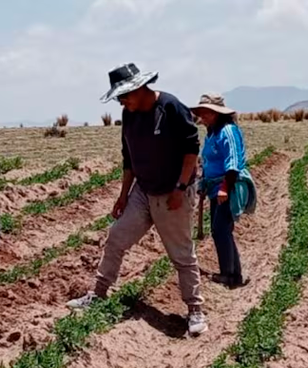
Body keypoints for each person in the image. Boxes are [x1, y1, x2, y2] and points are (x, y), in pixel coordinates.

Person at [68, 63, 207, 336]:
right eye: (119, 98)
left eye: (124, 96)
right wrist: (122, 196)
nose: (122, 101)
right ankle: (98, 293)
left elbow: (191, 150)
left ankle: (195, 309)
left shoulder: (170, 107)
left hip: (172, 194)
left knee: (181, 254)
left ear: (140, 89)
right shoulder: (129, 116)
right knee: (116, 238)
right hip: (143, 192)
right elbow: (128, 159)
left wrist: (180, 188)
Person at [191, 94, 257, 288]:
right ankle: (233, 273)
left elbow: (233, 163)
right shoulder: (212, 133)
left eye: (206, 113)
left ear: (216, 113)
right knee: (221, 230)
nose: (202, 116)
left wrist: (224, 189)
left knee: (220, 229)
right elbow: (210, 162)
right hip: (215, 187)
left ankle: (229, 275)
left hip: (228, 186)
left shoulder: (228, 131)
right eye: (201, 112)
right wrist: (204, 183)